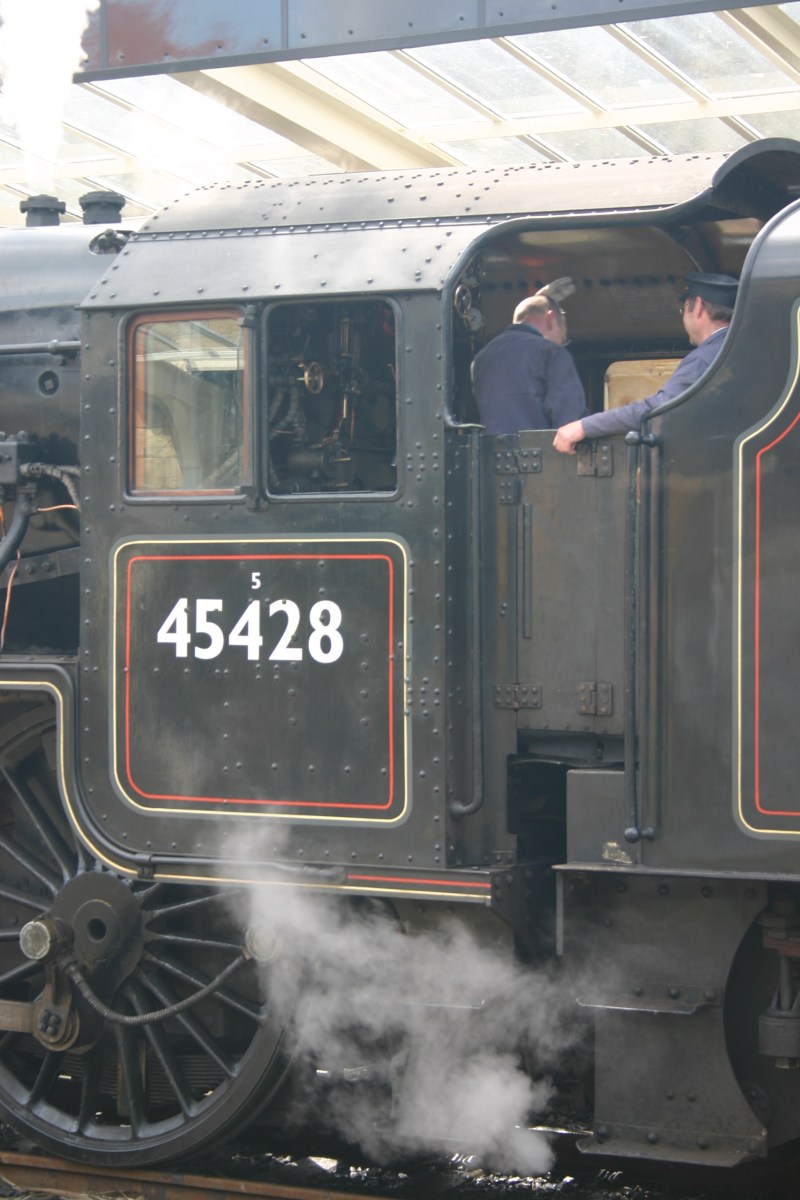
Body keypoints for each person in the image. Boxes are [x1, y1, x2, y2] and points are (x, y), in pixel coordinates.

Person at [553, 271, 738, 454]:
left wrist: (584, 426)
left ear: (698, 306)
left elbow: (658, 409)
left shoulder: (705, 358)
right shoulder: (731, 350)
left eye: (683, 310)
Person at [471, 278, 587, 435]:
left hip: (490, 449)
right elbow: (570, 421)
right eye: (563, 340)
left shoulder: (481, 358)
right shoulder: (551, 352)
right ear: (550, 319)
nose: (561, 344)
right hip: (539, 450)